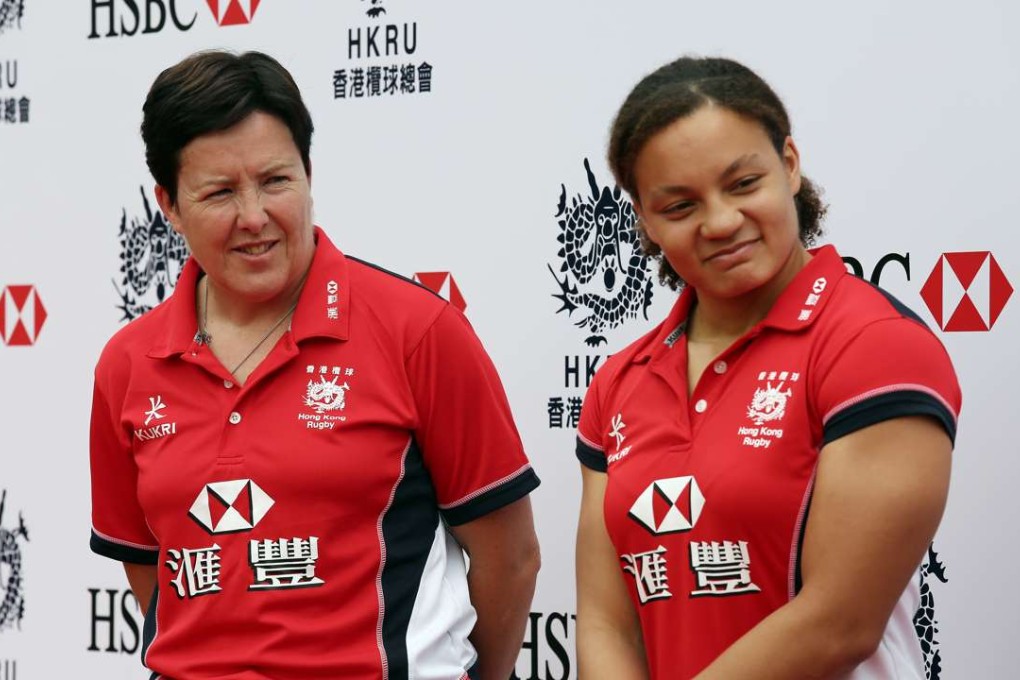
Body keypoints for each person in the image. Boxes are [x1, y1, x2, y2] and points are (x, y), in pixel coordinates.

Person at [89, 49, 541, 680]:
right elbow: (149, 570)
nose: (254, 217)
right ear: (169, 205)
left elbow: (510, 557)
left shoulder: (417, 330)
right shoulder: (127, 363)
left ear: (308, 173)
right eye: (219, 193)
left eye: (276, 181)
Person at [574, 56, 960, 679]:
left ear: (788, 165)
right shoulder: (619, 380)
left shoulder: (873, 344)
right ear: (644, 219)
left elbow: (840, 621)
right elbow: (605, 621)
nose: (722, 222)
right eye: (679, 207)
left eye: (744, 184)